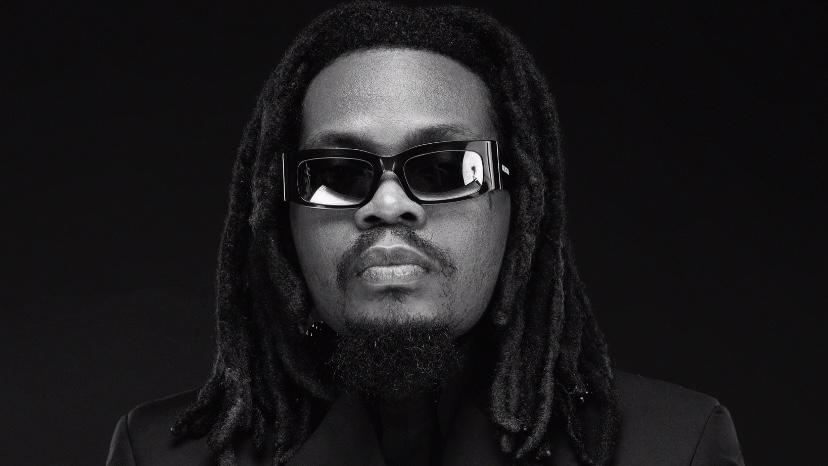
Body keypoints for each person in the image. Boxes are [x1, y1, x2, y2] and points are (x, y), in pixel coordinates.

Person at [106, 2, 744, 465]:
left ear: (517, 203)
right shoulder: (159, 453)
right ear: (281, 216)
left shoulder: (674, 445)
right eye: (337, 173)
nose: (388, 204)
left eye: (443, 168)